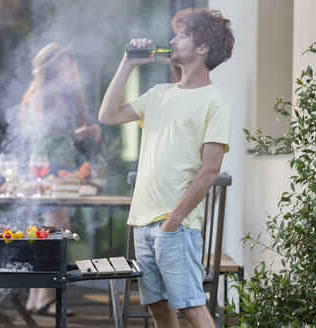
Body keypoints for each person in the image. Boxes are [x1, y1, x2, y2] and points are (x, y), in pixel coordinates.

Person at [98, 8, 234, 328]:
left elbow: (210, 170)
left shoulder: (215, 102)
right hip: (143, 222)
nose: (172, 40)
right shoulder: (159, 94)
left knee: (191, 308)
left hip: (177, 227)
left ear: (202, 48)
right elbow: (108, 115)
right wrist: (127, 63)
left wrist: (173, 220)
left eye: (182, 35)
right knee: (158, 309)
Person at [19, 42, 100, 316]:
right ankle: (45, 299)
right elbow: (40, 127)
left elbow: (62, 134)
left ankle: (35, 298)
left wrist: (85, 132)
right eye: (67, 63)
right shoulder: (41, 92)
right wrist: (41, 79)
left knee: (45, 234)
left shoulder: (58, 94)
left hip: (57, 168)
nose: (72, 68)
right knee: (54, 234)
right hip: (46, 170)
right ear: (53, 66)